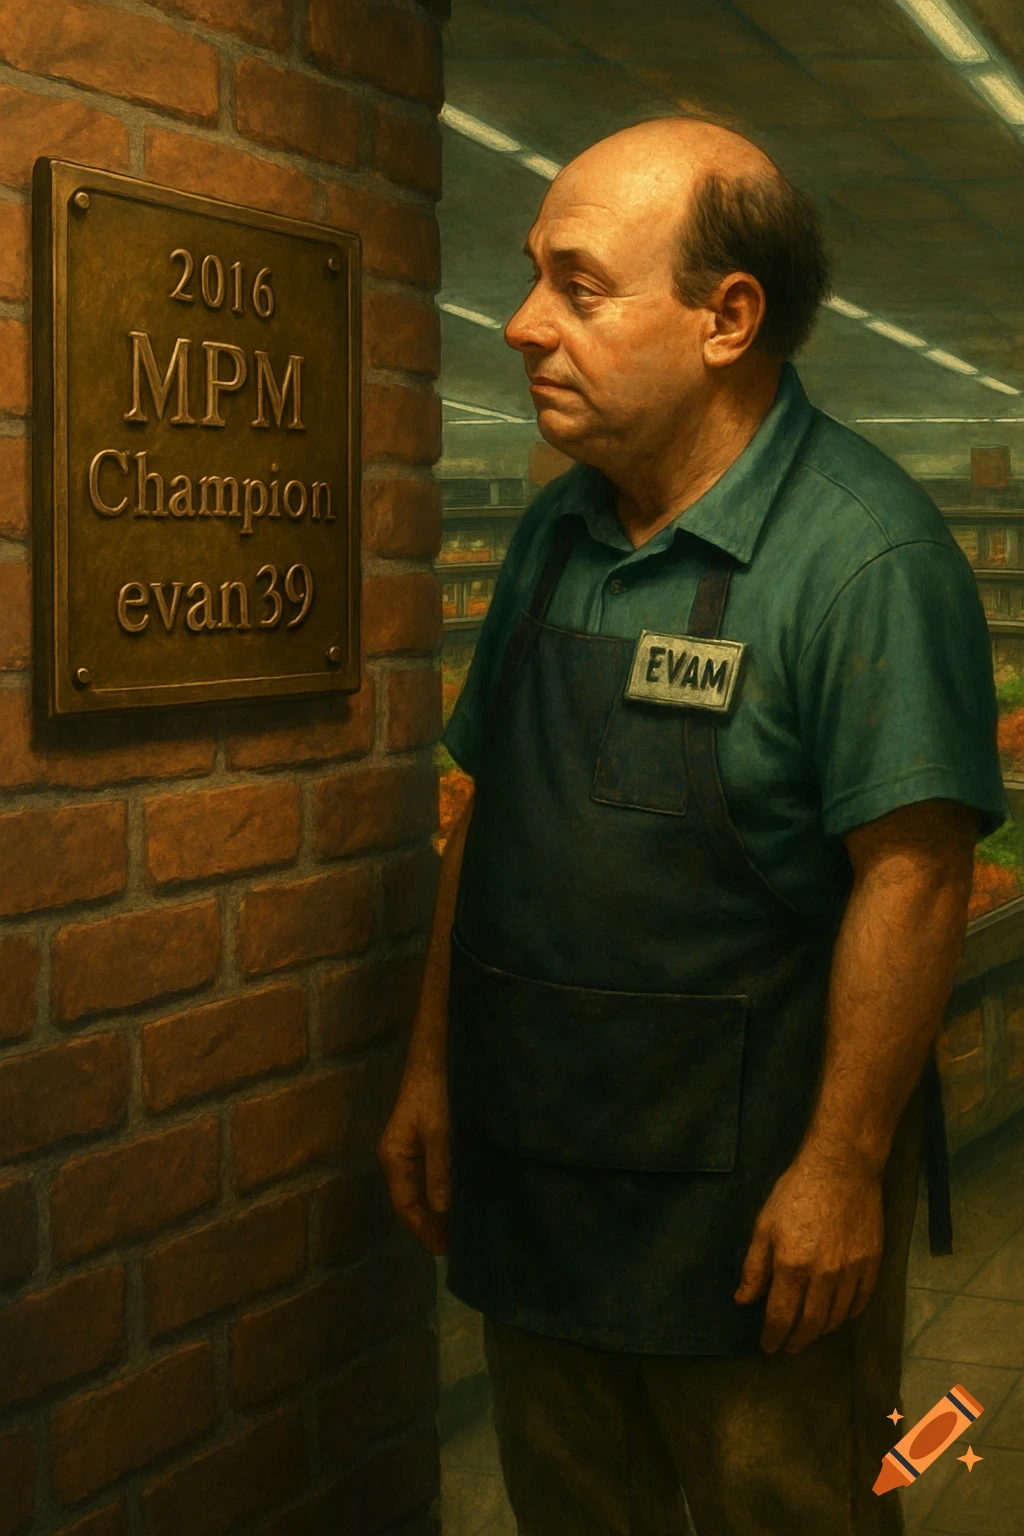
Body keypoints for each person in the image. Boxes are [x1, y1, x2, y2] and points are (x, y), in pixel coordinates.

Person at [378, 117, 1006, 1535]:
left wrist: (842, 1168)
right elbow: (492, 816)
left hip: (748, 1227)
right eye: (533, 276)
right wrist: (432, 1066)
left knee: (784, 1506)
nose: (524, 325)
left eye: (579, 287)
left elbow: (915, 882)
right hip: (540, 1181)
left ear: (729, 319)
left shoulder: (865, 559)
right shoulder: (553, 532)